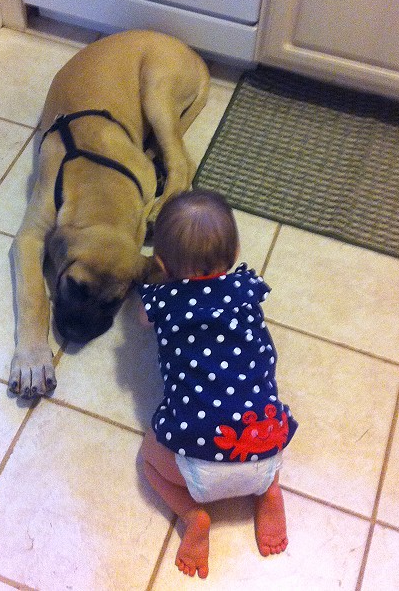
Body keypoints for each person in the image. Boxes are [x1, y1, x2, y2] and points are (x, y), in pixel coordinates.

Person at [138, 189, 297, 579]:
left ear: (161, 263)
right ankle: (269, 491)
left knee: (148, 461)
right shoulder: (247, 289)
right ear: (236, 250)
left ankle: (193, 516)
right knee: (259, 412)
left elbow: (144, 320)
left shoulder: (160, 302)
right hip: (262, 449)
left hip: (192, 468)